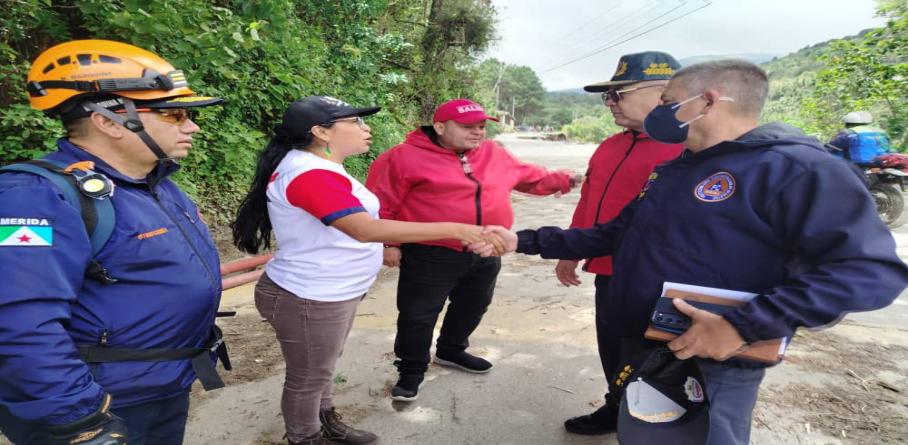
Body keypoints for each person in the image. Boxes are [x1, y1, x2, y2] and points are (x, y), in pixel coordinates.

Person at [473, 60, 908, 444]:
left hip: (712, 353)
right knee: (645, 430)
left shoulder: (798, 170)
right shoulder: (677, 169)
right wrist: (523, 240)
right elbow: (613, 234)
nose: (662, 112)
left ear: (709, 101)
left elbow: (868, 272)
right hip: (645, 338)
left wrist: (743, 325)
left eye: (668, 101)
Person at [230, 96, 503, 445]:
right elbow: (364, 229)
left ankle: (326, 420)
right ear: (321, 132)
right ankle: (305, 437)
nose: (365, 127)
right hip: (310, 296)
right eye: (355, 122)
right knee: (309, 376)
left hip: (329, 291)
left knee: (322, 368)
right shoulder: (310, 174)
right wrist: (455, 228)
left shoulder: (321, 165)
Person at [0, 40, 227, 444]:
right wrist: (80, 422)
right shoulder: (34, 196)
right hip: (100, 405)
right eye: (174, 114)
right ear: (107, 120)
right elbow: (19, 322)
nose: (191, 126)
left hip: (162, 386)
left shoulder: (153, 183)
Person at [365, 98, 578, 402]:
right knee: (418, 315)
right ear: (440, 126)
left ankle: (451, 350)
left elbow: (528, 176)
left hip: (486, 249)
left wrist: (566, 179)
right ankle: (411, 370)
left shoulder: (493, 153)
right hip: (430, 252)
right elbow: (382, 202)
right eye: (468, 126)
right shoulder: (402, 157)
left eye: (481, 126)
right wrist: (389, 244)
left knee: (474, 304)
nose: (478, 132)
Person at [558, 50, 685, 436]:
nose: (610, 103)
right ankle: (617, 407)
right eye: (607, 96)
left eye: (618, 94)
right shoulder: (611, 146)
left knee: (660, 359)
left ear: (662, 91)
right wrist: (570, 250)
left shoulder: (690, 150)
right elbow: (589, 201)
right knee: (614, 347)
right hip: (611, 274)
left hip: (662, 281)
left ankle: (660, 425)